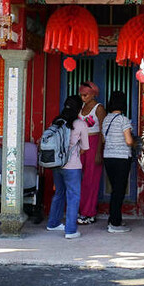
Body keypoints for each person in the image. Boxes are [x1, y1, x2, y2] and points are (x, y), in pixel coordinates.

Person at [46, 95, 89, 239]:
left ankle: (53, 223)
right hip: (72, 166)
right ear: (79, 108)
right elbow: (85, 148)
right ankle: (70, 230)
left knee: (59, 193)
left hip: (57, 164)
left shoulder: (56, 122)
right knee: (73, 196)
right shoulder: (80, 124)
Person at [101, 90, 135, 233]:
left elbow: (103, 140)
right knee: (119, 191)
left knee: (115, 189)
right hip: (121, 158)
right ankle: (115, 224)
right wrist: (134, 142)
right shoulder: (123, 120)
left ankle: (114, 219)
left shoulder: (106, 119)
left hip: (108, 157)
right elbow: (128, 141)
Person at [77, 82, 106, 225]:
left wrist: (99, 152)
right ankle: (81, 210)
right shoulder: (81, 107)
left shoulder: (99, 108)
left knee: (91, 180)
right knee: (78, 179)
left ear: (93, 93)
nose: (82, 97)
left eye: (85, 94)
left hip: (94, 144)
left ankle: (89, 213)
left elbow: (102, 131)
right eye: (81, 94)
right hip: (81, 145)